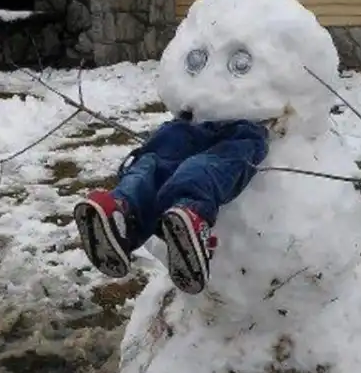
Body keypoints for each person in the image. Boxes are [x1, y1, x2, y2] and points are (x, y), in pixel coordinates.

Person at [73, 115, 269, 295]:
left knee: (175, 165)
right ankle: (127, 217)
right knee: (158, 163)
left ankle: (142, 213)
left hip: (226, 121)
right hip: (203, 118)